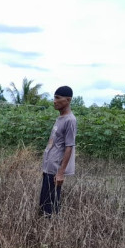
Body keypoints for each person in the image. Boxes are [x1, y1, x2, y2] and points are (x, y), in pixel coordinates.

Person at [40, 85, 77, 217]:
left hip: (56, 168)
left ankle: (50, 232)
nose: (54, 101)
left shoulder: (70, 120)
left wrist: (61, 172)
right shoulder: (60, 118)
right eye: (54, 98)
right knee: (44, 204)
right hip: (49, 167)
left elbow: (69, 146)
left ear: (68, 100)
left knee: (50, 207)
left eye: (57, 98)